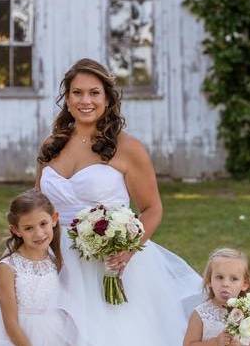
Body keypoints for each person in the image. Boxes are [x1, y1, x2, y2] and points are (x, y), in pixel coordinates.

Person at [36, 58, 203, 346]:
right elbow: (38, 205)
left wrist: (126, 251)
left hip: (109, 262)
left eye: (94, 93)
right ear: (67, 98)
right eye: (77, 93)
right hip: (54, 257)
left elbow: (152, 209)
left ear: (108, 98)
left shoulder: (128, 148)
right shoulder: (52, 144)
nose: (85, 100)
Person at [0, 189, 75, 346]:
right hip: (18, 338)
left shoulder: (56, 260)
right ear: (16, 230)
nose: (38, 234)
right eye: (28, 228)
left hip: (55, 332)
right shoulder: (8, 268)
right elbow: (10, 324)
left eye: (43, 224)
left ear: (54, 219)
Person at [183, 248, 250, 346]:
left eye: (234, 279)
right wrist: (215, 342)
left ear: (244, 284)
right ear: (209, 281)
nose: (225, 284)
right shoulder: (201, 314)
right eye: (220, 277)